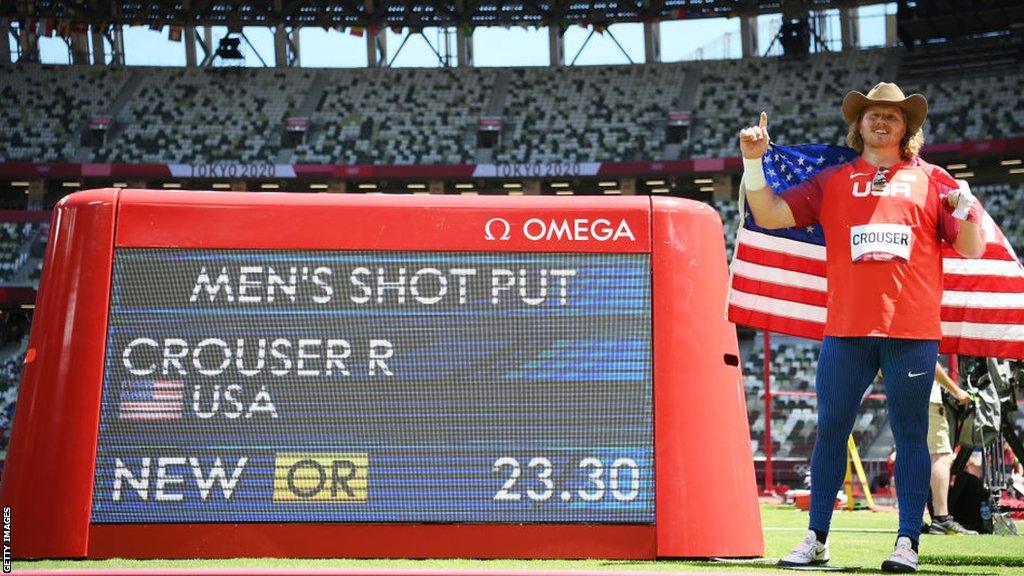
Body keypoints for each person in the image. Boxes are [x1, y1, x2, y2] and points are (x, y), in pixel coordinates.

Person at [738, 82, 986, 573]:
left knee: (911, 436)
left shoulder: (933, 180)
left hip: (911, 333)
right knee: (830, 431)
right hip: (846, 330)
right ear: (859, 125)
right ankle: (816, 539)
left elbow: (973, 248)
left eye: (892, 116)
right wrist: (752, 161)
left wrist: (966, 210)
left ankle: (907, 544)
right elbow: (767, 213)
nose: (881, 121)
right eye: (872, 114)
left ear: (907, 129)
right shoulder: (833, 180)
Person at [925, 361, 976, 535]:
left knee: (911, 455)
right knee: (942, 456)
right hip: (927, 399)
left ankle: (911, 520)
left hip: (901, 397)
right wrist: (956, 391)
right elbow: (928, 359)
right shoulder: (921, 333)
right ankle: (941, 519)